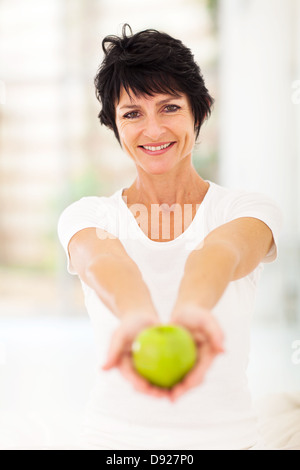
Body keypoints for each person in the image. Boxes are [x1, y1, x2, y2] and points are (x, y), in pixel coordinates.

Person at [57, 24, 282, 450]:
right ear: (114, 126)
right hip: (113, 444)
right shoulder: (89, 214)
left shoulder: (248, 210)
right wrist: (140, 317)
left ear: (199, 111)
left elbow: (220, 251)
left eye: (170, 108)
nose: (154, 130)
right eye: (132, 113)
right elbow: (105, 262)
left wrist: (189, 312)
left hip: (229, 442)